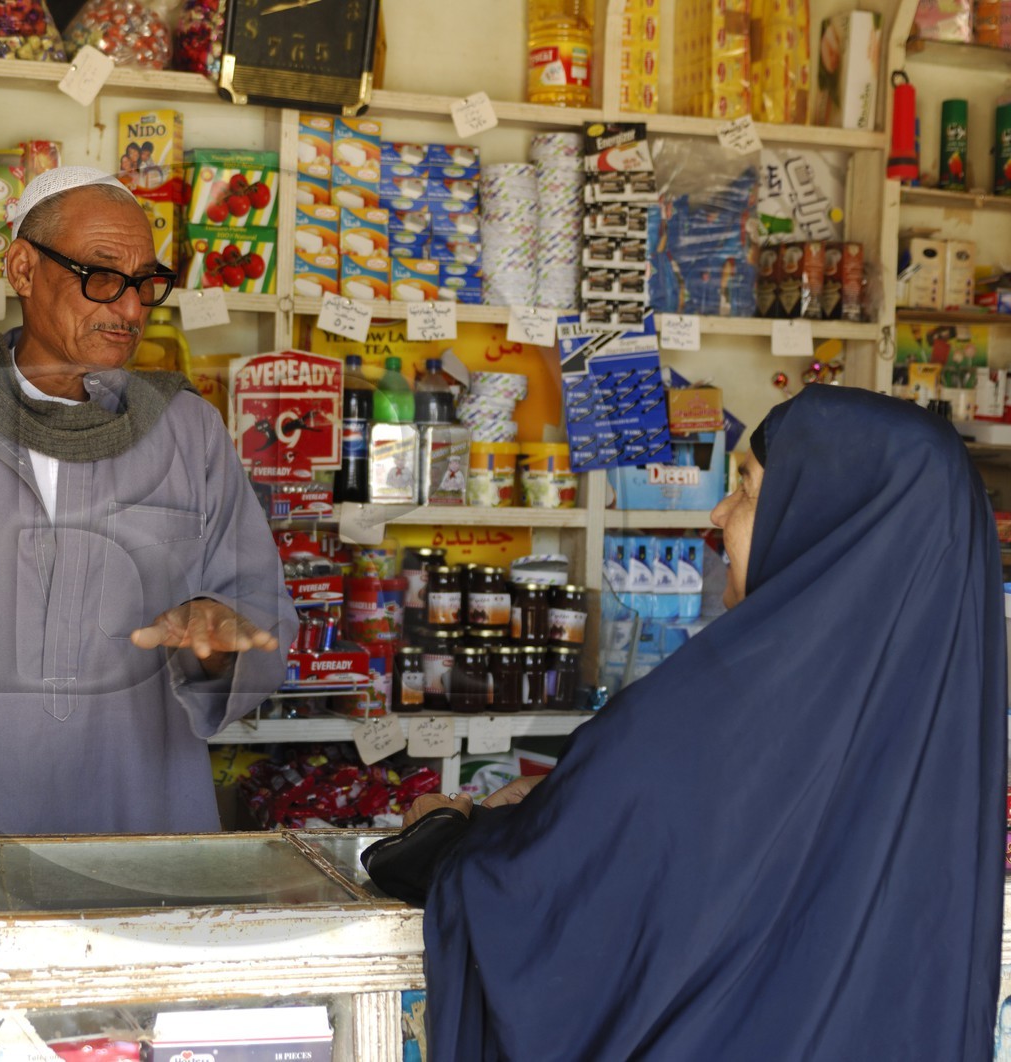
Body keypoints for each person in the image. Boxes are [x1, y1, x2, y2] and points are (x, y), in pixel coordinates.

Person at [402, 386, 1007, 1059]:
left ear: (823, 516)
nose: (718, 513)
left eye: (746, 487)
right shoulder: (944, 727)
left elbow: (540, 907)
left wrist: (452, 840)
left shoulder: (708, 713)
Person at [0, 167, 297, 838]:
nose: (128, 309)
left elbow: (262, 608)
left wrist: (220, 638)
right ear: (22, 268)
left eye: (144, 284)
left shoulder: (187, 430)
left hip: (144, 829)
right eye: (101, 277)